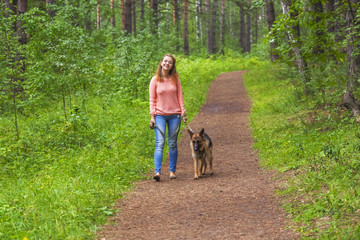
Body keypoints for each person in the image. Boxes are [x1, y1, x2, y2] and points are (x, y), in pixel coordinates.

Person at [149, 54, 187, 181]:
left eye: (170, 62)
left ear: (172, 66)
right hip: (159, 115)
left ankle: (172, 171)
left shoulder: (175, 79)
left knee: (172, 144)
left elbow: (180, 97)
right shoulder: (155, 80)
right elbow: (152, 100)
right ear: (161, 63)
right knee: (160, 143)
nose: (167, 64)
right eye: (165, 61)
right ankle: (157, 172)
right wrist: (152, 117)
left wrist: (183, 112)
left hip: (174, 115)